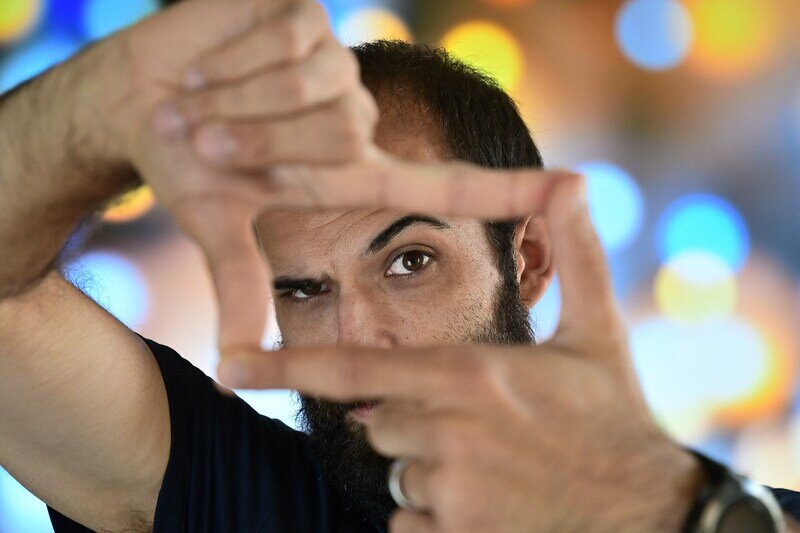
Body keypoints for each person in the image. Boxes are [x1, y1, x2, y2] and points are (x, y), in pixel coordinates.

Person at [0, 1, 798, 531]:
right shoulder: (252, 500)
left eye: (410, 260)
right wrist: (104, 105)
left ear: (526, 258)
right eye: (305, 290)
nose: (353, 340)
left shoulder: (686, 506)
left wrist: (674, 510)